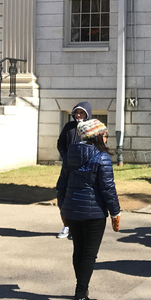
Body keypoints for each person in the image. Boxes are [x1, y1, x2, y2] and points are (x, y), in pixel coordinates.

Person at [56, 119, 121, 300]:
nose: (107, 137)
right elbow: (108, 189)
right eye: (105, 134)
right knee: (89, 254)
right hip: (94, 213)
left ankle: (82, 291)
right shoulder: (102, 157)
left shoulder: (70, 154)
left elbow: (61, 185)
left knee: (79, 250)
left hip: (73, 211)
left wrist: (63, 209)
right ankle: (80, 296)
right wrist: (115, 213)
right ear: (97, 136)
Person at [56, 101, 92, 239]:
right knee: (62, 194)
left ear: (87, 113)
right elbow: (60, 143)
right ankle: (67, 225)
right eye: (77, 112)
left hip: (83, 170)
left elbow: (98, 144)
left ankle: (78, 228)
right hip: (67, 168)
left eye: (81, 112)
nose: (78, 115)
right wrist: (65, 156)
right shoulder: (69, 127)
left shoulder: (90, 127)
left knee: (79, 197)